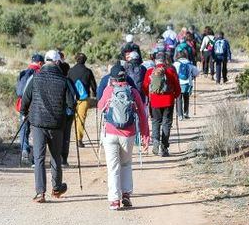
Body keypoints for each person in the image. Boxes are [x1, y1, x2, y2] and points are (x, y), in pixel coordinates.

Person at [21, 50, 77, 203]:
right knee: (55, 157)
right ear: (58, 62)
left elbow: (26, 98)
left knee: (38, 158)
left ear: (45, 61)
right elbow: (72, 104)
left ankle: (40, 193)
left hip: (38, 123)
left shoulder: (35, 77)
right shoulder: (64, 80)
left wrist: (24, 113)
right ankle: (57, 188)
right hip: (57, 125)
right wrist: (65, 118)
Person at [98, 65, 150, 210]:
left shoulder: (109, 90)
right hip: (128, 134)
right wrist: (145, 135)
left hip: (110, 133)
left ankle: (115, 200)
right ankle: (126, 194)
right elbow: (142, 116)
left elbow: (100, 106)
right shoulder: (133, 92)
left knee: (113, 167)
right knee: (126, 164)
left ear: (112, 77)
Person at [142, 52, 180, 157]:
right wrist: (174, 96)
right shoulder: (170, 71)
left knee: (155, 122)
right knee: (166, 123)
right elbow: (177, 88)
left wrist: (150, 96)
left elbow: (144, 87)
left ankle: (155, 143)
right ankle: (164, 148)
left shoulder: (150, 71)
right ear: (165, 61)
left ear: (155, 61)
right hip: (168, 101)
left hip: (154, 101)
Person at [15, 54, 44, 165]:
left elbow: (18, 91)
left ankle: (24, 152)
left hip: (22, 106)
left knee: (24, 129)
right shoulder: (39, 73)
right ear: (40, 63)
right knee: (37, 131)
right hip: (35, 106)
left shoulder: (23, 73)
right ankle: (36, 157)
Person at [67, 53, 96, 148]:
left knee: (72, 119)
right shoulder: (88, 71)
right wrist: (95, 95)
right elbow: (93, 86)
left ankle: (68, 138)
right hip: (84, 99)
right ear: (85, 60)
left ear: (76, 60)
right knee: (81, 119)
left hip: (72, 98)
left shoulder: (70, 71)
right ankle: (79, 139)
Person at [174, 50, 199, 120]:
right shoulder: (189, 63)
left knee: (178, 99)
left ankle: (179, 115)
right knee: (186, 98)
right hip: (188, 83)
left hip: (178, 83)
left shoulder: (175, 64)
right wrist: (193, 76)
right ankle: (186, 113)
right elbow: (197, 72)